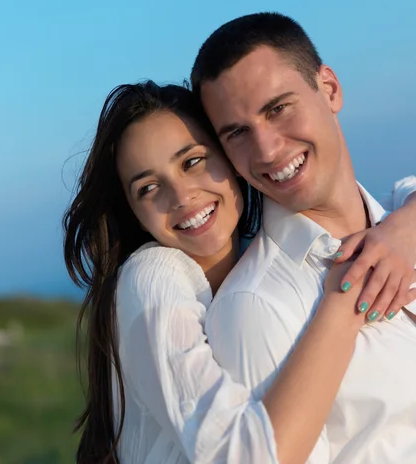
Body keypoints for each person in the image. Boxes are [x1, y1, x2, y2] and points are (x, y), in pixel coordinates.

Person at [63, 81, 415, 464]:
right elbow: (242, 457)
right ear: (135, 212)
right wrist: (344, 301)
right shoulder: (153, 275)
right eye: (149, 188)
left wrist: (403, 227)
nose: (181, 198)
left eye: (192, 162)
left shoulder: (251, 245)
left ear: (228, 157)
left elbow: (400, 192)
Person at [190, 12, 416, 464]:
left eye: (277, 109)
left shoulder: (398, 216)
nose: (268, 150)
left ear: (329, 90)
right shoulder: (252, 307)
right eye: (237, 133)